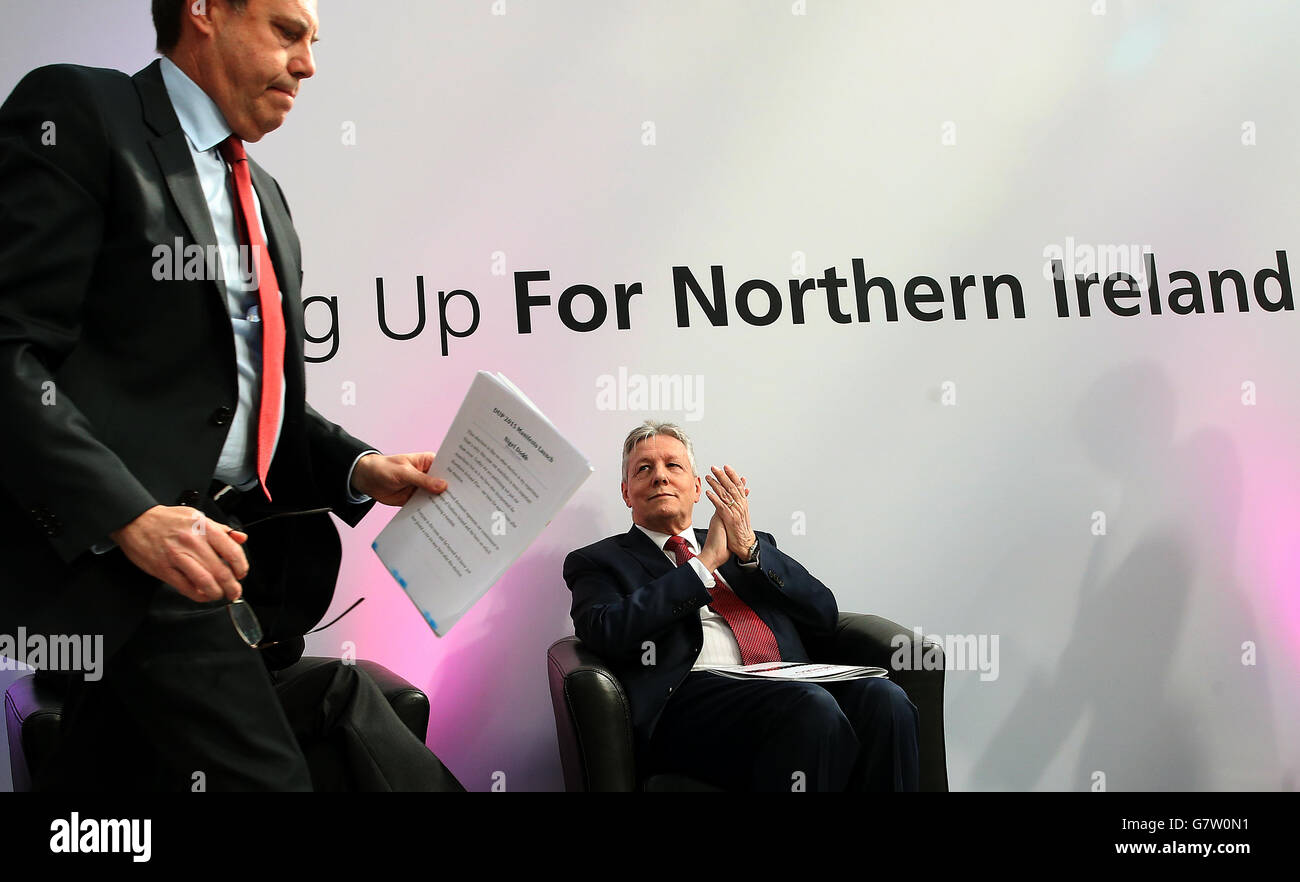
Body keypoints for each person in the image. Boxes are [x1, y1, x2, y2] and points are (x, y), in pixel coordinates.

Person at [0, 0, 462, 790]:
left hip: (228, 557)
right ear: (204, 11)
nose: (309, 64)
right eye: (288, 32)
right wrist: (129, 516)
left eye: (314, 41)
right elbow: (10, 347)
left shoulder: (267, 196)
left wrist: (360, 469)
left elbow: (246, 401)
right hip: (127, 560)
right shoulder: (82, 112)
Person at [563, 421, 920, 791]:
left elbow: (823, 614)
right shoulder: (599, 561)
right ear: (626, 492)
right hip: (691, 704)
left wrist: (749, 549)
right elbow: (604, 630)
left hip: (787, 682)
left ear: (697, 487)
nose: (660, 478)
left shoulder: (749, 545)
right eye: (644, 469)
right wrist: (704, 565)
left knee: (886, 700)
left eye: (673, 466)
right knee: (810, 707)